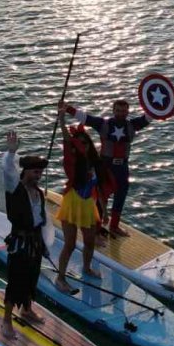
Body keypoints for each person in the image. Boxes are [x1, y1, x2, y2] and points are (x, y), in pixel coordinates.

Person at [62, 97, 151, 236]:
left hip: (122, 166)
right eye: (118, 110)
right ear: (113, 110)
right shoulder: (103, 124)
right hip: (105, 166)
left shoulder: (133, 125)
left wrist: (161, 104)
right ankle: (96, 228)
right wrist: (67, 108)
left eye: (123, 111)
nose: (120, 113)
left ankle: (114, 226)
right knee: (101, 195)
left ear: (128, 112)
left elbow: (150, 116)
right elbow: (86, 118)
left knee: (121, 195)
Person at [53, 110, 112, 293]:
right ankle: (60, 278)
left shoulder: (95, 163)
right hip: (72, 203)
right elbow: (66, 140)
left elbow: (99, 189)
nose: (83, 146)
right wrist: (62, 120)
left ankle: (87, 267)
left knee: (89, 241)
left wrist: (105, 210)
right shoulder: (72, 162)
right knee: (70, 244)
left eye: (86, 143)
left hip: (88, 204)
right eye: (79, 143)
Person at [0, 130, 48, 338]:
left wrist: (44, 244)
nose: (37, 176)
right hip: (19, 242)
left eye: (39, 173)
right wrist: (11, 153)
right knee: (16, 280)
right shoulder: (14, 188)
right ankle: (6, 321)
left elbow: (40, 221)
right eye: (34, 172)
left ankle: (27, 309)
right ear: (25, 172)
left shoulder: (38, 193)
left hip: (35, 241)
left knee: (32, 277)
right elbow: (8, 170)